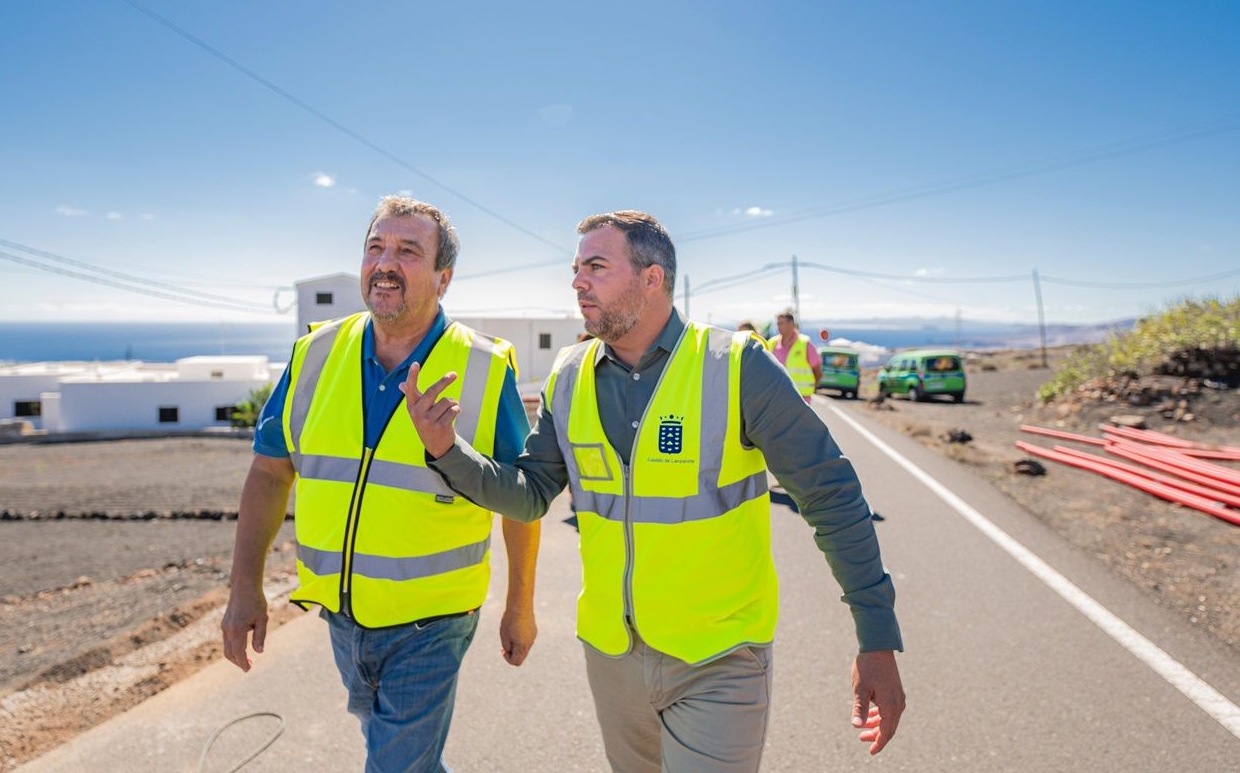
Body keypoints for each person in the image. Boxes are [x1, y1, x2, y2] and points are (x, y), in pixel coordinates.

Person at [406, 211, 905, 772]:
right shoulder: (568, 377)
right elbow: (529, 494)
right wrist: (447, 449)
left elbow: (831, 497)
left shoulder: (736, 367)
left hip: (719, 658)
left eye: (596, 266)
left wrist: (876, 638)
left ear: (653, 278)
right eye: (575, 269)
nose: (577, 282)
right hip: (612, 658)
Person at [222, 195, 540, 773]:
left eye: (408, 251)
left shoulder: (486, 366)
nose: (385, 262)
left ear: (444, 278)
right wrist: (244, 585)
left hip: (433, 622)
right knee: (402, 757)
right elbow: (271, 470)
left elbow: (521, 499)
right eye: (376, 247)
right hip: (342, 617)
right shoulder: (315, 354)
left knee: (396, 766)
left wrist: (520, 605)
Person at [769, 309, 823, 404]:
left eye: (781, 323)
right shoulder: (772, 343)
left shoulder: (805, 344)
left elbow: (817, 371)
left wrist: (813, 387)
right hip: (777, 395)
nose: (778, 326)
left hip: (801, 397)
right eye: (777, 323)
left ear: (791, 324)